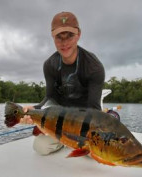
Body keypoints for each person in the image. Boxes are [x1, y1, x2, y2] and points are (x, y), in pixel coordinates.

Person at [21, 11, 105, 155]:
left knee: (97, 152)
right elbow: (50, 98)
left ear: (78, 34)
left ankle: (73, 141)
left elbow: (94, 110)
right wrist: (34, 109)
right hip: (60, 119)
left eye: (70, 35)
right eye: (59, 37)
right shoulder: (49, 65)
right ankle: (65, 142)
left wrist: (82, 134)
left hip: (84, 119)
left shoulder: (94, 66)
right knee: (40, 147)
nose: (64, 42)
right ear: (53, 37)